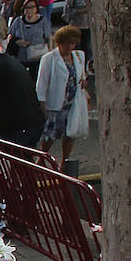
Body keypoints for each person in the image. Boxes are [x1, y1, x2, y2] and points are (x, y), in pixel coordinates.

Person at [36, 24, 90, 167]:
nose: (70, 47)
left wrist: (84, 82)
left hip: (74, 101)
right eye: (67, 44)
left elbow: (81, 74)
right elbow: (41, 85)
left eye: (73, 43)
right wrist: (43, 107)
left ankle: (64, 162)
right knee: (50, 136)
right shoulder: (49, 59)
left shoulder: (79, 56)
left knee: (70, 133)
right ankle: (42, 159)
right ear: (59, 43)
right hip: (55, 104)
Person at [8, 0, 53, 80]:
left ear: (36, 8)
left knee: (36, 79)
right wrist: (18, 42)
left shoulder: (43, 21)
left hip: (38, 56)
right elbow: (10, 36)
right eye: (27, 7)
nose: (29, 10)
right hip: (21, 56)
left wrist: (50, 53)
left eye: (32, 7)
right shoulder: (18, 21)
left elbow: (48, 37)